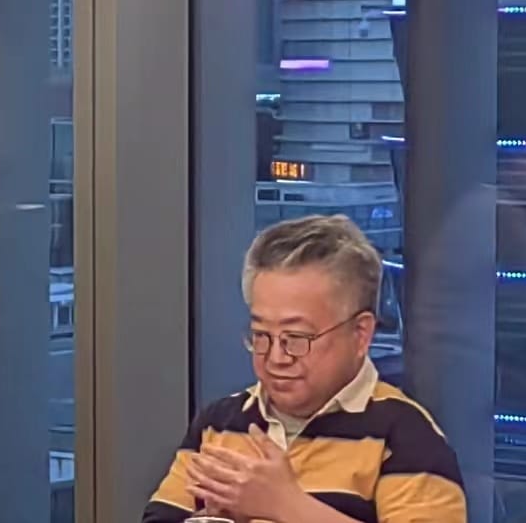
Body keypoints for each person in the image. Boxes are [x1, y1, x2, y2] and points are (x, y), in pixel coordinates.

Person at [144, 216, 467, 523]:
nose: (276, 357)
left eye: (296, 338)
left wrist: (289, 507)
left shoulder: (407, 436)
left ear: (361, 334)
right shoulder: (218, 426)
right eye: (261, 335)